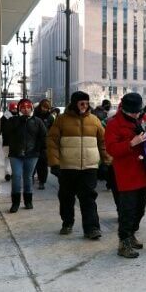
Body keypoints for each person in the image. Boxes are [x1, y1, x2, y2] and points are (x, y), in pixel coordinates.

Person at [47, 91, 108, 240]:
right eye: (81, 103)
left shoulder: (94, 120)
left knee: (88, 198)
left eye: (86, 103)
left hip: (89, 167)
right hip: (67, 167)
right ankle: (67, 222)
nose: (84, 106)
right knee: (66, 197)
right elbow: (52, 142)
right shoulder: (61, 120)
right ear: (74, 103)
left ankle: (92, 228)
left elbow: (103, 142)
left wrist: (107, 161)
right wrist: (54, 163)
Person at [105, 93, 146, 258]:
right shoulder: (114, 124)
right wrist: (131, 143)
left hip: (143, 171)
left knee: (140, 209)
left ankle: (132, 233)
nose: (136, 114)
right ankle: (123, 242)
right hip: (127, 174)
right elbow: (112, 149)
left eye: (137, 111)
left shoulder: (141, 120)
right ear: (124, 109)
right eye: (132, 112)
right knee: (127, 210)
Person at [5, 99, 46, 213]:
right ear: (19, 109)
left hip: (32, 154)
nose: (26, 109)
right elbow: (6, 131)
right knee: (16, 177)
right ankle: (15, 203)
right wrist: (18, 120)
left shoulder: (37, 121)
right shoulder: (13, 120)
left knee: (28, 177)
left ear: (32, 108)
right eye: (23, 107)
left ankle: (28, 201)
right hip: (15, 154)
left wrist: (38, 149)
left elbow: (43, 136)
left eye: (28, 107)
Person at [33, 99, 55, 190]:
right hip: (33, 142)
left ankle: (42, 181)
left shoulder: (50, 117)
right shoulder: (34, 114)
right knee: (33, 163)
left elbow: (53, 130)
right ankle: (30, 178)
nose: (45, 109)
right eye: (44, 107)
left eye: (47, 108)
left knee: (43, 164)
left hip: (44, 144)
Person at [0, 101, 18, 181]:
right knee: (10, 158)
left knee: (8, 158)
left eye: (15, 109)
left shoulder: (4, 117)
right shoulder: (17, 117)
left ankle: (9, 173)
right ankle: (9, 173)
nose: (14, 110)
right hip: (10, 141)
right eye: (13, 109)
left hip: (7, 141)